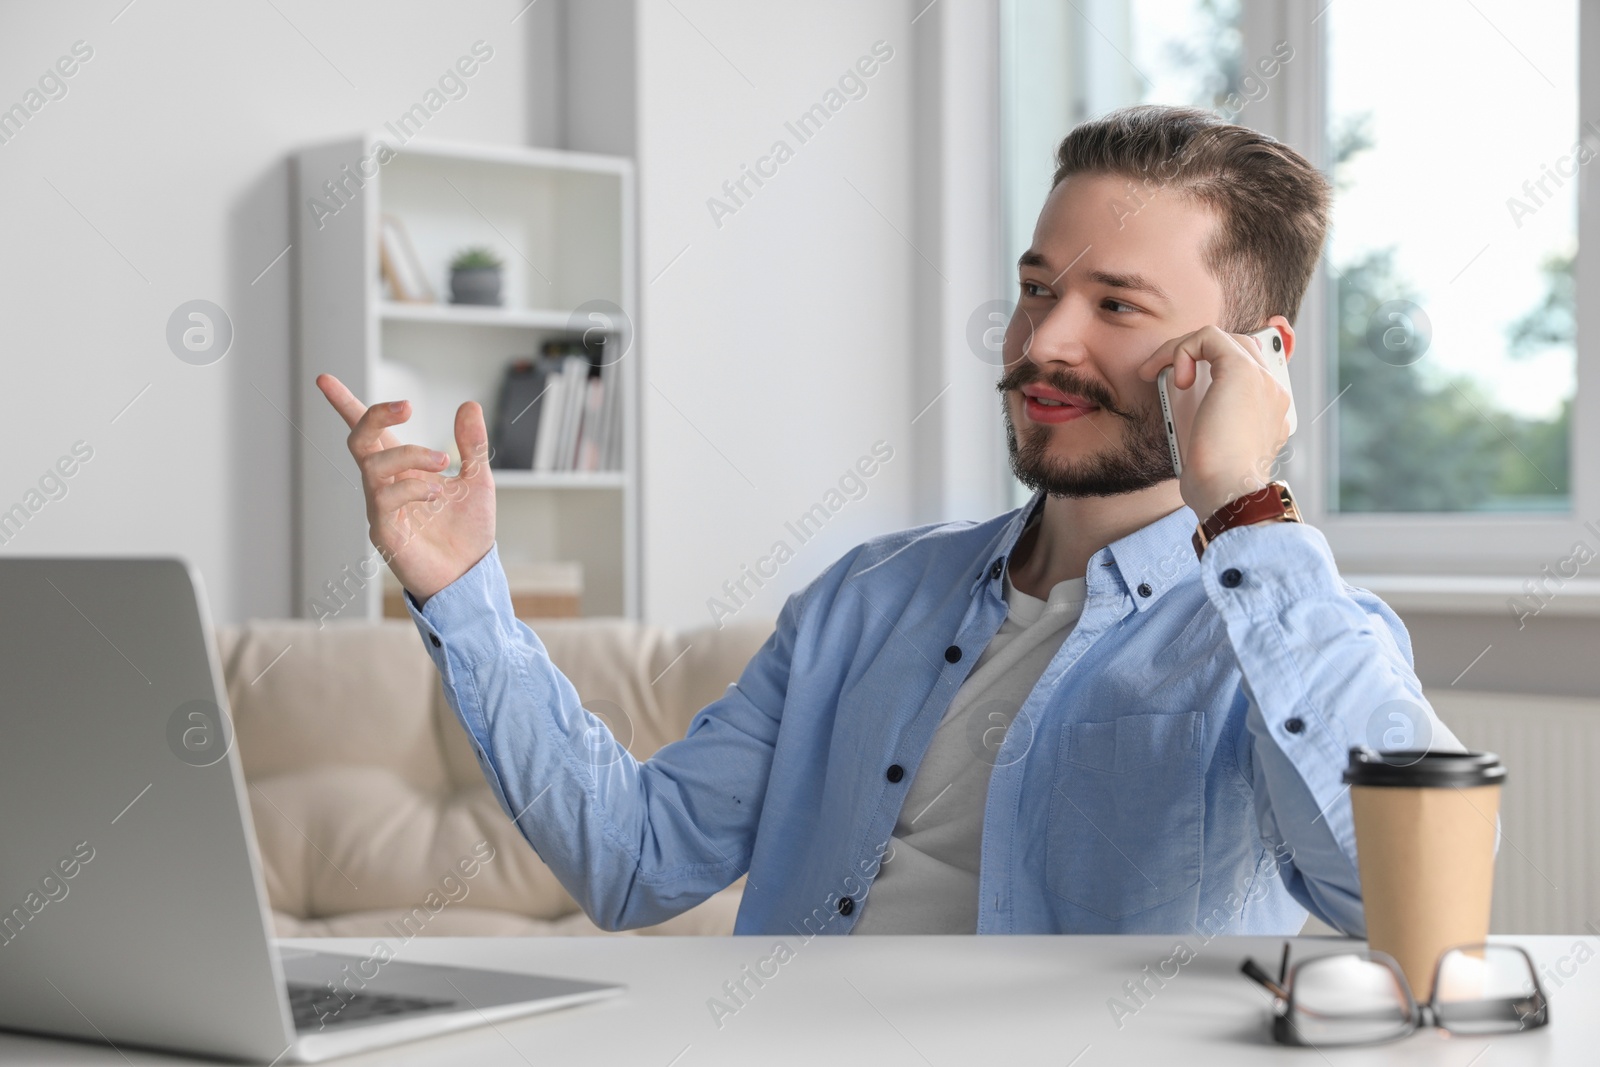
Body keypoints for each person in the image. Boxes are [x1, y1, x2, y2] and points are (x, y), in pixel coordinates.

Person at [315, 104, 1458, 938]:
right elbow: (637, 861)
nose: (1045, 340)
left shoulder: (1289, 636)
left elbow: (1407, 905)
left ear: (1251, 357)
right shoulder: (869, 596)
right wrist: (462, 589)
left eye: (1115, 304)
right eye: (1036, 286)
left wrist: (1245, 501)